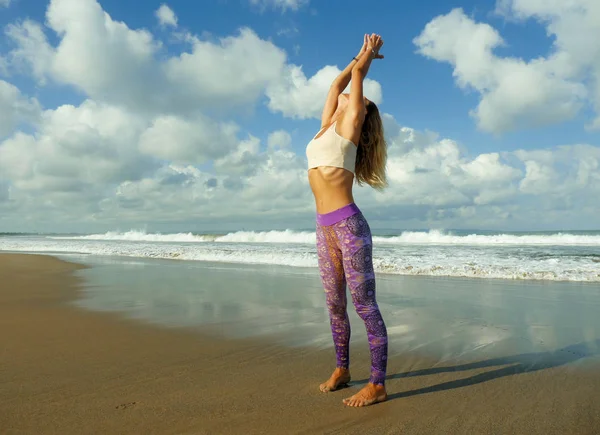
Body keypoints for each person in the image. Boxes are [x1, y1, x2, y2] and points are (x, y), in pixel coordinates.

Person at [306, 33, 389, 407]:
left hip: (349, 227)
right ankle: (342, 368)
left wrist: (367, 58)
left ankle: (377, 383)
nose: (345, 98)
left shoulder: (349, 126)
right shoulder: (327, 125)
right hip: (324, 229)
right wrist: (358, 53)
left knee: (364, 304)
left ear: (359, 110)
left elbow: (354, 82)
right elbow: (338, 83)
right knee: (334, 305)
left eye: (356, 100)